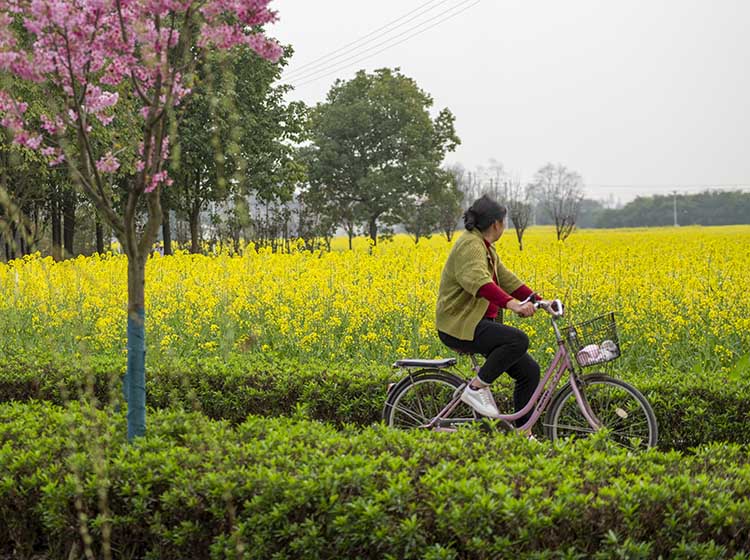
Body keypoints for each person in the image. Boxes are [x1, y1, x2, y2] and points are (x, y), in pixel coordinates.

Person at [435, 194, 541, 425]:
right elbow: (479, 282)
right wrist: (512, 304)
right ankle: (476, 388)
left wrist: (538, 299)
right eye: (504, 222)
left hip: (478, 324)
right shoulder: (470, 245)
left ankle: (523, 433)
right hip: (460, 325)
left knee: (529, 372)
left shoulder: (486, 248)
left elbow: (506, 279)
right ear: (496, 223)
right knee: (517, 340)